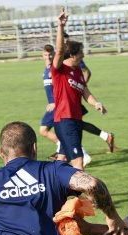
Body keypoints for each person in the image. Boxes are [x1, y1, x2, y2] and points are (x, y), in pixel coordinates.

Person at [51, 9, 109, 170]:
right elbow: (60, 50)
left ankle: (53, 191)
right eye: (81, 53)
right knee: (78, 163)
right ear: (73, 55)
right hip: (65, 119)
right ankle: (79, 195)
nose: (83, 56)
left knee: (61, 160)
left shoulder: (77, 72)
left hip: (76, 120)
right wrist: (60, 26)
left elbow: (85, 91)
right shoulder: (59, 69)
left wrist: (95, 103)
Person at [63, 30, 116, 157]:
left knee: (69, 130)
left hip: (67, 109)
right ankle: (104, 137)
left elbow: (86, 79)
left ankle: (81, 156)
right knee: (71, 129)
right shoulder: (60, 67)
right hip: (62, 109)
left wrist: (80, 89)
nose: (83, 55)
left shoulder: (76, 68)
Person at [40, 44, 59, 149]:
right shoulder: (47, 69)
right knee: (64, 131)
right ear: (42, 55)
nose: (48, 57)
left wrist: (54, 102)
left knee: (43, 130)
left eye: (50, 55)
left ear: (54, 54)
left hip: (57, 105)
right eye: (46, 55)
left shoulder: (55, 68)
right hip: (54, 104)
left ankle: (62, 147)